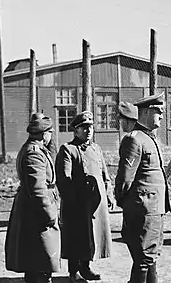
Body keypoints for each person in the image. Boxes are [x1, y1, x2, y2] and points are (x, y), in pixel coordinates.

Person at [115, 92, 171, 283]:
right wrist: (127, 202)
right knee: (144, 259)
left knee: (150, 257)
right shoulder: (135, 139)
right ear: (146, 112)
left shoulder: (150, 138)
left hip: (153, 210)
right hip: (143, 210)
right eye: (158, 111)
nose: (162, 116)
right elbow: (124, 179)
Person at [55, 111, 113, 283]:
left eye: (90, 127)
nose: (88, 131)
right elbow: (64, 179)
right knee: (76, 235)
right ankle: (74, 272)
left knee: (92, 235)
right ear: (76, 130)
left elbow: (105, 174)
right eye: (83, 128)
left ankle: (86, 267)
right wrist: (73, 199)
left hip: (95, 202)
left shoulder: (96, 149)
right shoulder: (68, 150)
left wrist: (108, 194)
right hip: (77, 202)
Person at [5, 113, 60, 283]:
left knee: (36, 261)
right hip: (36, 212)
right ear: (45, 134)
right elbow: (38, 189)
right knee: (41, 261)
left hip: (33, 209)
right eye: (50, 132)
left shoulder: (35, 149)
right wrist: (49, 214)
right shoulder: (34, 153)